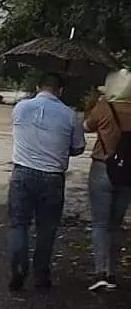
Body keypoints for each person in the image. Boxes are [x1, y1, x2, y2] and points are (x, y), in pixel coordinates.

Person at [7, 73, 86, 291]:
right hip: (52, 177)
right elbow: (78, 148)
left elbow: (18, 131)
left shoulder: (20, 108)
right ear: (60, 90)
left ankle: (19, 270)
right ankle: (41, 274)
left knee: (19, 224)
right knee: (47, 228)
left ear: (37, 86)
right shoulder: (71, 115)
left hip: (22, 173)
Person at [84, 69, 131, 291]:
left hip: (103, 167)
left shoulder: (104, 107)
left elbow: (85, 126)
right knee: (115, 225)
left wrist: (94, 102)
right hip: (128, 173)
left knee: (100, 224)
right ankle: (112, 273)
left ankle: (100, 272)